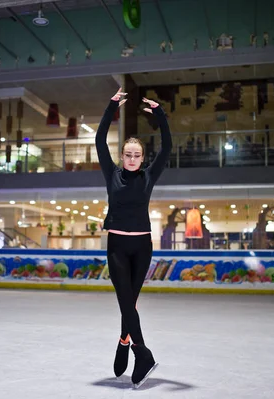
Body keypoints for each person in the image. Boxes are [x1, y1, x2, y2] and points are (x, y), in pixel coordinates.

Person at [95, 87, 172, 388]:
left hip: (142, 247)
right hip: (116, 246)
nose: (131, 158)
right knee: (125, 301)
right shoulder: (111, 173)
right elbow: (99, 139)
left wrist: (160, 115)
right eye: (127, 154)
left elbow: (167, 145)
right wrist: (111, 106)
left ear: (142, 158)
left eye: (136, 154)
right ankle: (143, 354)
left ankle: (125, 339)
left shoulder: (149, 176)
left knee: (131, 301)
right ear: (122, 155)